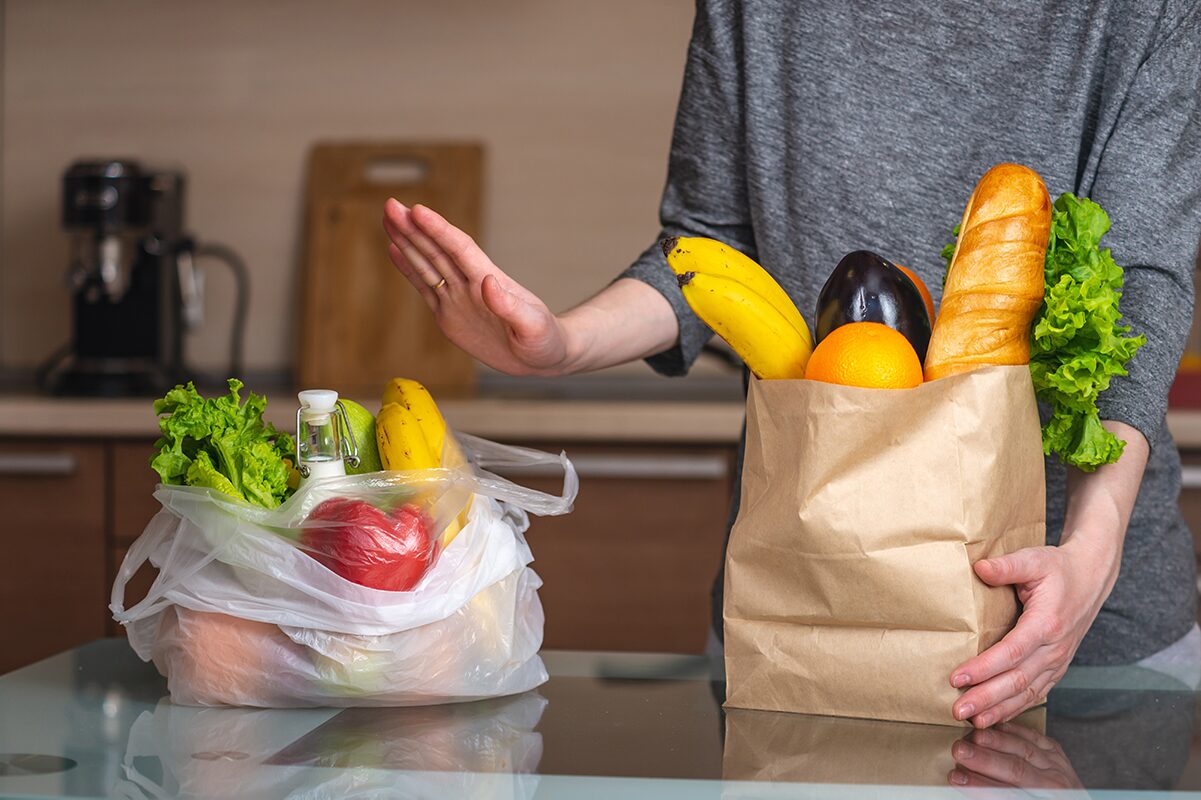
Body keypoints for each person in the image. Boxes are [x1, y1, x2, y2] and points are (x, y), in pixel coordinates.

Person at [382, 0, 1201, 728]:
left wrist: (1091, 554)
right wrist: (561, 344)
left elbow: (1140, 282)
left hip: (1070, 622)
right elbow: (708, 246)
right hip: (807, 600)